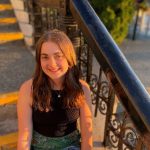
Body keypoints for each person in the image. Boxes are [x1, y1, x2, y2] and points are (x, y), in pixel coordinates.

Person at [17, 29, 93, 150]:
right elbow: (24, 137)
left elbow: (87, 135)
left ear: (69, 58)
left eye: (58, 56)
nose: (52, 63)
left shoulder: (82, 89)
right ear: (39, 60)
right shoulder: (28, 89)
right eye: (45, 57)